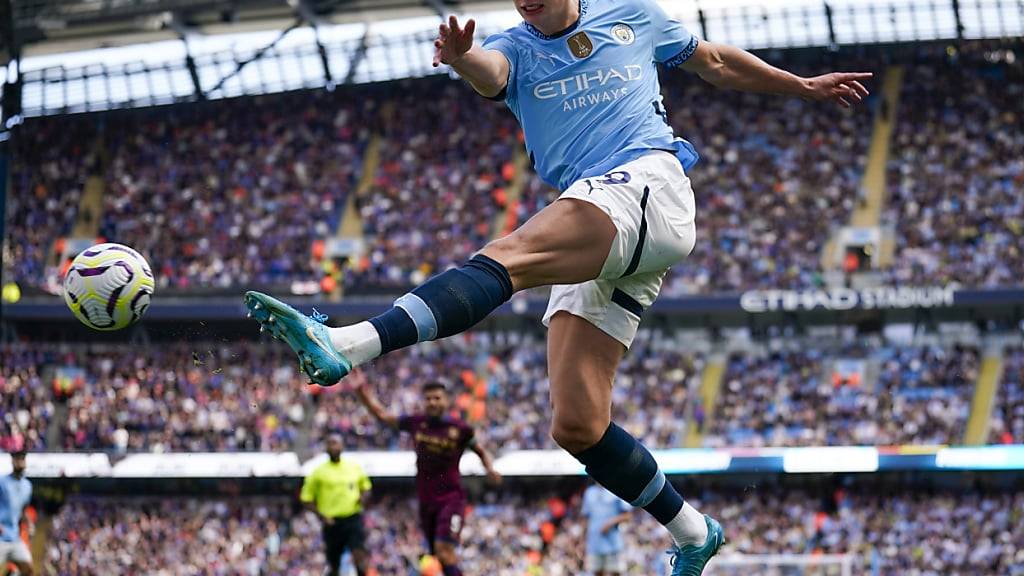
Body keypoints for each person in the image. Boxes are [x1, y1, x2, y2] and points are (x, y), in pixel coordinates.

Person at [244, 0, 870, 572]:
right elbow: (490, 72)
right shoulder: (513, 47)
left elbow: (714, 61)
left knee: (507, 257)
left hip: (647, 183)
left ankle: (348, 343)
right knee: (577, 426)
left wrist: (801, 85)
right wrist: (463, 58)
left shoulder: (632, 14)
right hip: (597, 211)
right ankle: (692, 531)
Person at [354, 374, 501, 576]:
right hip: (426, 500)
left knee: (444, 551)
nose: (432, 402)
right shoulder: (416, 423)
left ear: (446, 401)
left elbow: (480, 450)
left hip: (451, 499)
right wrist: (361, 391)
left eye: (437, 398)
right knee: (437, 556)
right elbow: (382, 415)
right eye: (428, 398)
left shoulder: (460, 429)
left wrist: (490, 468)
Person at [300, 434, 372, 576]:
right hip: (331, 522)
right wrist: (321, 515)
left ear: (342, 446)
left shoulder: (353, 467)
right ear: (326, 448)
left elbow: (366, 487)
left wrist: (363, 499)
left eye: (336, 443)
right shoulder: (318, 472)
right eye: (330, 443)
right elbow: (305, 498)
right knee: (334, 564)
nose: (334, 447)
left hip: (352, 518)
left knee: (359, 554)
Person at [582, 482, 631, 576]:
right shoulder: (589, 492)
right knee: (596, 572)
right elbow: (585, 518)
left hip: (613, 544)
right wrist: (583, 541)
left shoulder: (616, 489)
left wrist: (610, 523)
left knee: (616, 572)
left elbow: (627, 516)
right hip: (594, 543)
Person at [0, 451, 33, 576]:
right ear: (12, 461)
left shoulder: (27, 486)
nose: (20, 462)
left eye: (22, 459)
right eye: (17, 459)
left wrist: (29, 523)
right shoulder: (2, 482)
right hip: (1, 538)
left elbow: (22, 511)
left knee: (27, 570)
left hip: (15, 537)